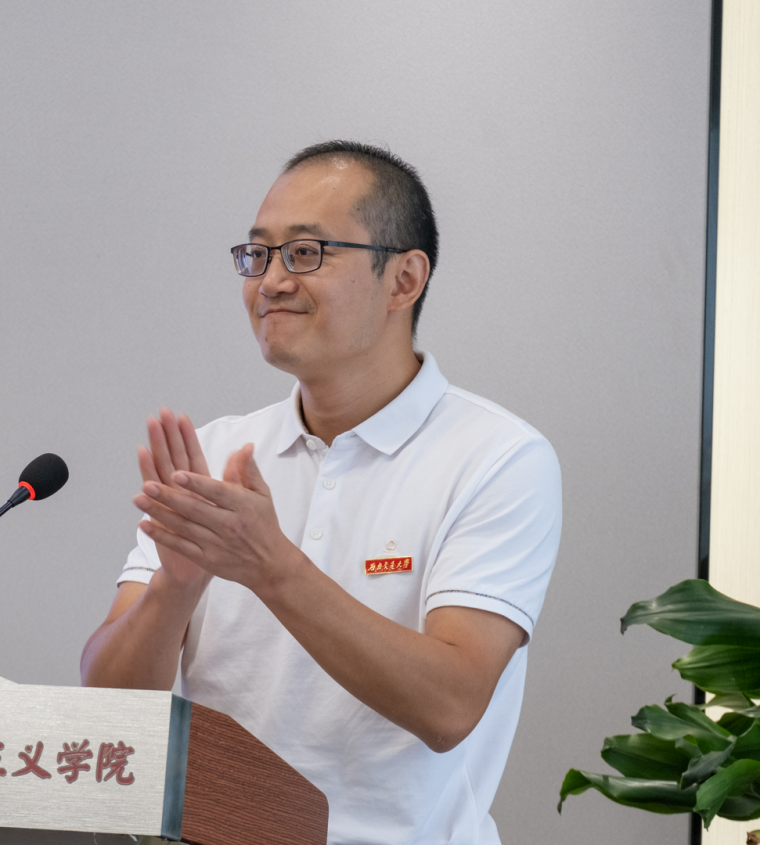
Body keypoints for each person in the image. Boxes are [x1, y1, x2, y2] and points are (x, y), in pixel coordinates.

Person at [80, 141, 561, 845]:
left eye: (306, 253)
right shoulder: (219, 454)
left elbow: (451, 705)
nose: (271, 281)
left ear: (404, 279)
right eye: (258, 254)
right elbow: (109, 711)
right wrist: (174, 589)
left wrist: (272, 567)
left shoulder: (497, 457)